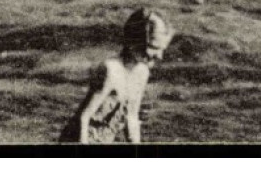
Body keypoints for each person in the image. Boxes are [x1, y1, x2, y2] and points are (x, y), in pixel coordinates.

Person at [60, 9, 175, 143]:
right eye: (154, 47)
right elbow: (84, 117)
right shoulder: (111, 70)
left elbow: (131, 117)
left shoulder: (142, 73)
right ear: (134, 42)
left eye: (162, 49)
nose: (159, 56)